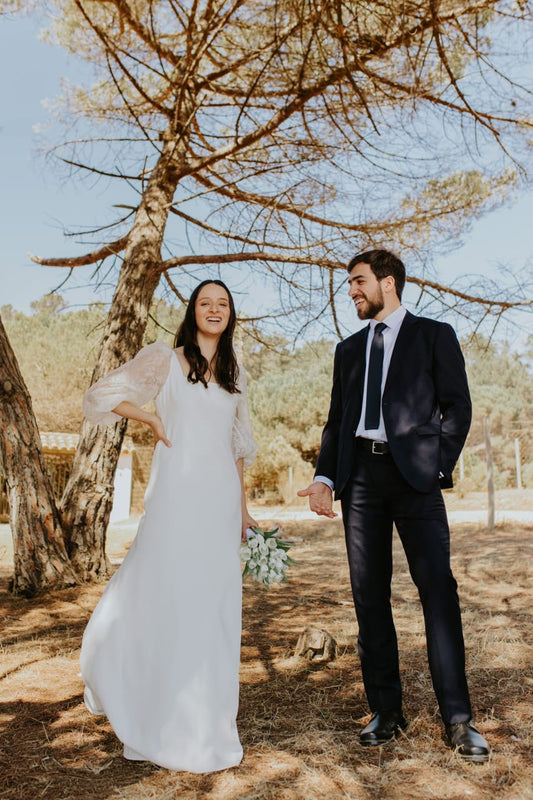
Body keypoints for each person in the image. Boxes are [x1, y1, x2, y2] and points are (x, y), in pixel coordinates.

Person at [298, 250, 490, 763]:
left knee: (438, 593)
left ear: (388, 282)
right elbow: (337, 421)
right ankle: (386, 711)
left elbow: (459, 406)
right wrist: (325, 477)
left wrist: (435, 463)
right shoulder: (348, 349)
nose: (352, 291)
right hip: (360, 480)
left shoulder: (434, 335)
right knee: (368, 595)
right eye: (349, 284)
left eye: (359, 282)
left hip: (416, 481)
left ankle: (459, 718)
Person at [80, 279, 257, 773]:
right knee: (166, 594)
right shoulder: (167, 357)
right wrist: (151, 421)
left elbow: (238, 448)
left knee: (213, 607)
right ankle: (140, 698)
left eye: (223, 303)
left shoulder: (237, 371)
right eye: (206, 302)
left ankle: (207, 724)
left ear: (231, 313)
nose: (215, 309)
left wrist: (242, 510)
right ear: (193, 311)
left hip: (219, 499)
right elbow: (102, 395)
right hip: (176, 496)